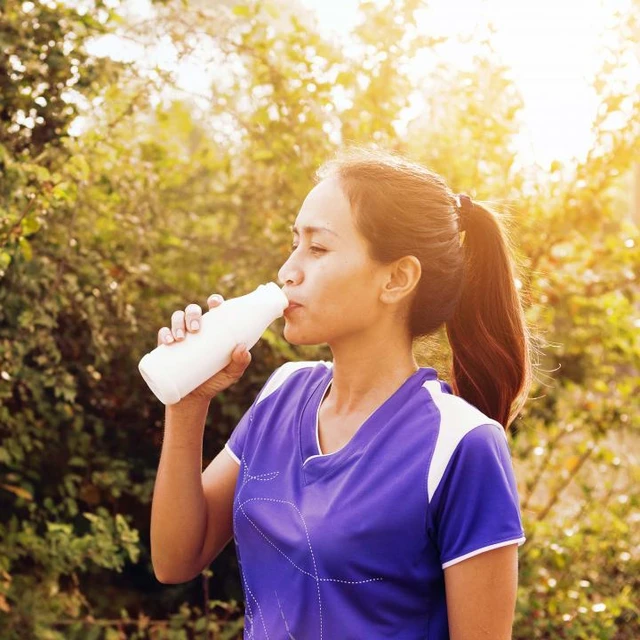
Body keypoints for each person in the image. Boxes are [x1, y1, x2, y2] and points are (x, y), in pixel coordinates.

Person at [150, 147, 533, 639]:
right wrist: (187, 404)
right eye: (294, 243)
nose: (289, 270)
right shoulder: (283, 393)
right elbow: (176, 558)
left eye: (318, 248)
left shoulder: (461, 445)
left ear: (397, 278)